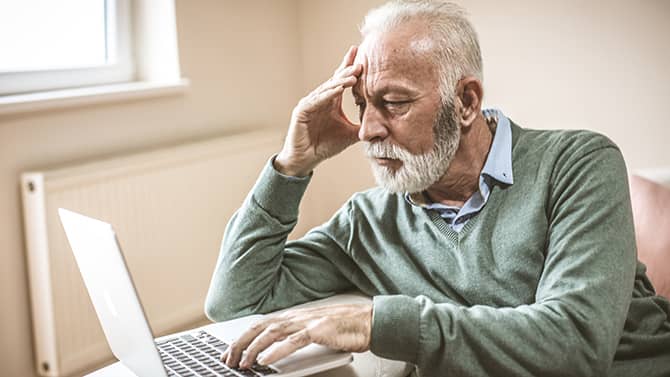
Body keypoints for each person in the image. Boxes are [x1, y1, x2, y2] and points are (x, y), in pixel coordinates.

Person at [204, 1, 670, 376]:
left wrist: (378, 321)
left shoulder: (578, 164)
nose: (367, 129)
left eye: (393, 103)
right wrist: (291, 166)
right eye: (362, 102)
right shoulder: (369, 221)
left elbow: (577, 345)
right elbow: (235, 302)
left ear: (466, 101)